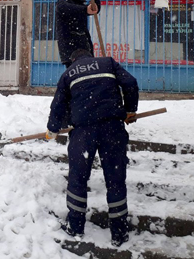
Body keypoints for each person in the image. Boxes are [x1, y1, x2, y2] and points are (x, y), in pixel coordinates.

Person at [46, 48, 139, 247]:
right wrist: (130, 110)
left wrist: (53, 128)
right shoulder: (108, 63)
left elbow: (59, 105)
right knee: (115, 180)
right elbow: (130, 82)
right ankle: (119, 232)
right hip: (112, 128)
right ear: (91, 56)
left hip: (83, 133)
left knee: (78, 179)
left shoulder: (68, 74)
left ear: (73, 60)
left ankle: (75, 226)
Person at [56, 0, 101, 68]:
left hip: (85, 50)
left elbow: (94, 10)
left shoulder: (79, 4)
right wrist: (86, 10)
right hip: (72, 52)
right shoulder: (63, 2)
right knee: (78, 78)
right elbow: (69, 8)